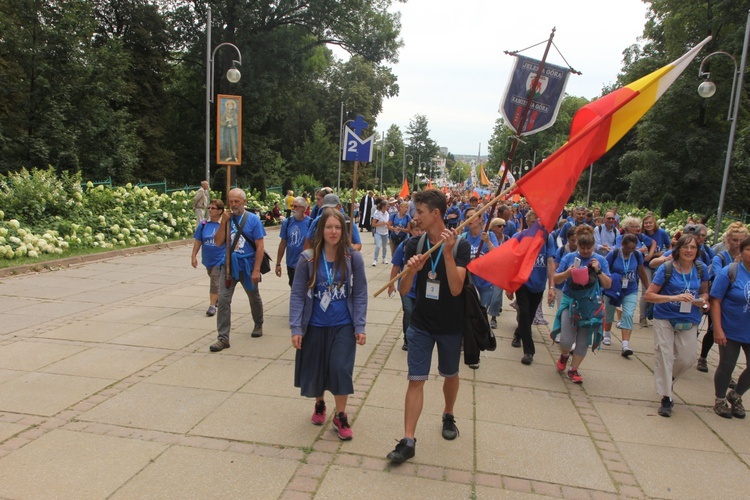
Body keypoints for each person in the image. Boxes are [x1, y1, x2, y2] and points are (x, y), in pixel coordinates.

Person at [387, 189, 471, 464]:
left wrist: (446, 254)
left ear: (436, 213)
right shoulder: (416, 244)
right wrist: (412, 269)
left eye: (420, 211)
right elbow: (404, 289)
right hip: (421, 323)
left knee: (449, 373)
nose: (415, 216)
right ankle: (408, 439)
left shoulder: (461, 246)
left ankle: (448, 414)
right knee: (416, 379)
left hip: (450, 324)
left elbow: (457, 288)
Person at [290, 209, 367, 440]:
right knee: (317, 368)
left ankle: (341, 415)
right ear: (320, 230)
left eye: (337, 227)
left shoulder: (353, 257)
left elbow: (361, 293)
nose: (333, 232)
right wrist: (296, 327)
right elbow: (297, 295)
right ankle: (320, 403)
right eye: (328, 227)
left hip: (343, 323)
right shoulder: (308, 258)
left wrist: (360, 325)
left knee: (341, 368)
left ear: (343, 230)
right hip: (315, 324)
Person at [644, 234, 710, 417]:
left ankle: (668, 378)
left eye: (693, 248)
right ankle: (667, 397)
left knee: (687, 358)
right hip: (664, 317)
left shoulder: (701, 268)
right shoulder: (667, 269)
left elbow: (705, 293)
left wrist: (702, 302)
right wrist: (673, 298)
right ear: (678, 249)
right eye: (685, 247)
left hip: (689, 318)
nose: (689, 251)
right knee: (664, 355)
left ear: (697, 251)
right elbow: (649, 295)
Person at [551, 225, 612, 384]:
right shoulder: (569, 257)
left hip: (590, 305)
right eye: (582, 248)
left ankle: (574, 369)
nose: (585, 251)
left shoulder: (600, 260)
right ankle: (565, 355)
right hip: (570, 301)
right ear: (576, 244)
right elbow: (556, 279)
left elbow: (608, 284)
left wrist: (598, 271)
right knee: (565, 339)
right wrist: (567, 273)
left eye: (588, 248)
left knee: (583, 340)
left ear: (594, 246)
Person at [209, 188, 266, 352]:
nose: (233, 205)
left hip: (247, 265)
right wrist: (224, 222)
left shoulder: (253, 220)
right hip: (229, 266)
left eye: (236, 201)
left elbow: (260, 246)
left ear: (244, 202)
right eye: (231, 201)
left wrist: (256, 270)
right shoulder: (226, 219)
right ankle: (223, 338)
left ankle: (258, 323)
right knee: (224, 299)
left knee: (253, 296)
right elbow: (218, 242)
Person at [697, 222, 749, 372]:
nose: (738, 243)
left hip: (740, 304)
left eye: (741, 240)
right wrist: (736, 267)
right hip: (720, 301)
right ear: (728, 240)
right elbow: (719, 275)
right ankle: (704, 357)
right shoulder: (721, 257)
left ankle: (727, 369)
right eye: (734, 240)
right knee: (714, 329)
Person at [709, 235, 750, 419]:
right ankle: (720, 400)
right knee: (727, 365)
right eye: (749, 249)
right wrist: (717, 328)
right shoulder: (730, 271)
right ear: (741, 252)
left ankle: (736, 395)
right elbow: (715, 300)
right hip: (730, 328)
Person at [506, 216, 555, 365]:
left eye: (539, 223)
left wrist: (551, 287)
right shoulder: (519, 237)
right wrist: (510, 285)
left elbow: (550, 262)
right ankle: (529, 351)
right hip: (523, 282)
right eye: (533, 222)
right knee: (525, 312)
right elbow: (511, 261)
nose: (536, 226)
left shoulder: (547, 238)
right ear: (527, 222)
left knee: (529, 315)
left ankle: (518, 334)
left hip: (539, 284)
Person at [601, 234, 650, 356]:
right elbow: (604, 269)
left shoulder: (637, 255)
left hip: (630, 289)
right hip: (614, 288)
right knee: (609, 312)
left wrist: (648, 288)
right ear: (623, 245)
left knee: (628, 314)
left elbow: (642, 272)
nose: (630, 250)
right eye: (628, 248)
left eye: (633, 248)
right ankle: (606, 334)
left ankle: (625, 344)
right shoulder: (615, 253)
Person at [388, 220, 423, 351]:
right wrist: (391, 285)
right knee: (408, 312)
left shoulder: (428, 246)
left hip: (422, 288)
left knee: (418, 313)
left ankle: (418, 338)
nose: (419, 233)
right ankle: (407, 339)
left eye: (421, 230)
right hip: (406, 287)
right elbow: (396, 266)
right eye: (416, 230)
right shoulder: (404, 245)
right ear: (410, 231)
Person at [191, 199, 225, 316]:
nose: (210, 210)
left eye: (213, 208)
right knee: (214, 278)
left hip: (220, 258)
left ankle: (212, 306)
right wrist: (193, 256)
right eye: (209, 208)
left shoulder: (224, 224)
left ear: (220, 211)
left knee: (215, 280)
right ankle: (219, 297)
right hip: (208, 259)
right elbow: (198, 241)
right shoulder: (204, 224)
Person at [276, 197, 311, 287]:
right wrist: (278, 263)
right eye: (292, 206)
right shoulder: (287, 223)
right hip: (291, 264)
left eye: (296, 206)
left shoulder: (311, 223)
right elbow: (283, 243)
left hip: (305, 264)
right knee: (294, 288)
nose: (293, 209)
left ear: (304, 208)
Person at [487, 218, 509, 328]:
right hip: (488, 269)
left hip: (501, 270)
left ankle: (493, 317)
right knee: (487, 295)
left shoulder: (507, 239)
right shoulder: (488, 236)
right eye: (499, 225)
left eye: (503, 225)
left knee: (496, 295)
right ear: (493, 226)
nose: (502, 228)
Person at [371, 200, 390, 266]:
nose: (388, 207)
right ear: (383, 206)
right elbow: (373, 224)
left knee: (384, 246)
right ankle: (375, 259)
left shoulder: (387, 213)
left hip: (385, 232)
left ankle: (384, 258)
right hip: (378, 232)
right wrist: (382, 223)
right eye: (386, 206)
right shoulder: (377, 213)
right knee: (378, 246)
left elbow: (388, 222)